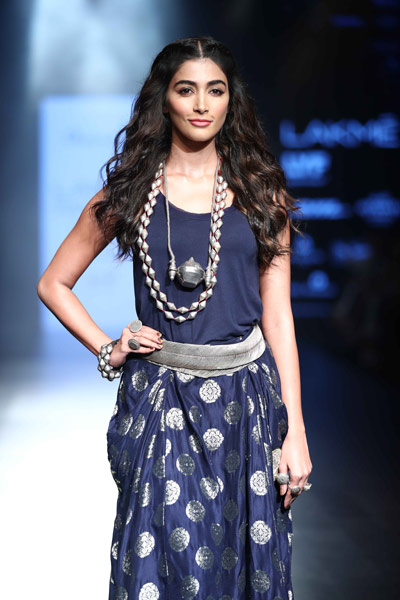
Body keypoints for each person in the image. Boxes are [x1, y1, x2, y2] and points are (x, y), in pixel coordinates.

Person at [37, 35, 312, 600]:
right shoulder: (132, 193)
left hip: (247, 406)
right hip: (161, 402)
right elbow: (53, 283)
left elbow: (279, 317)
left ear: (232, 99)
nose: (202, 104)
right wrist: (108, 347)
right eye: (187, 90)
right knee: (159, 570)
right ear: (164, 99)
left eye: (216, 90)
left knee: (246, 571)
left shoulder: (262, 195)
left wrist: (297, 431)